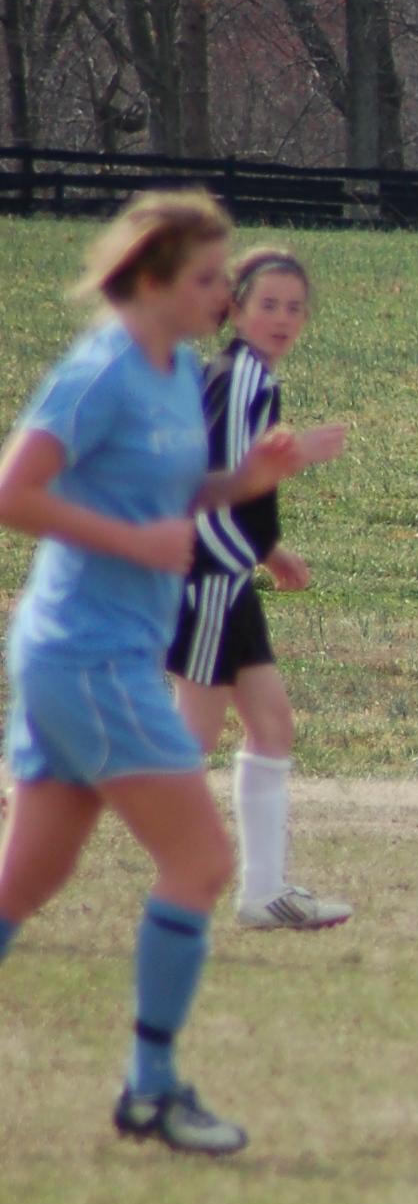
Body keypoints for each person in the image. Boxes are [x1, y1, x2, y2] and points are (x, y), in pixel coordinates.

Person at [0, 192, 344, 1155]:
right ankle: (151, 1087)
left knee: (26, 881)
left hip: (91, 653)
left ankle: (152, 1086)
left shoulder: (174, 371)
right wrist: (135, 543)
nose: (221, 294)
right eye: (206, 279)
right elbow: (13, 492)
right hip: (88, 653)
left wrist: (251, 482)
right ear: (152, 280)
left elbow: (177, 491)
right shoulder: (101, 370)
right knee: (201, 863)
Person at [169, 245, 351, 931]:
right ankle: (44, 792)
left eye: (294, 307)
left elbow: (234, 484)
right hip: (212, 579)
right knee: (184, 744)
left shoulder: (244, 376)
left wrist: (268, 551)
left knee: (272, 727)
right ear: (235, 310)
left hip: (230, 577)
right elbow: (207, 483)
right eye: (268, 304)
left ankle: (264, 893)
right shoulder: (241, 377)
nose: (282, 317)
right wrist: (295, 457)